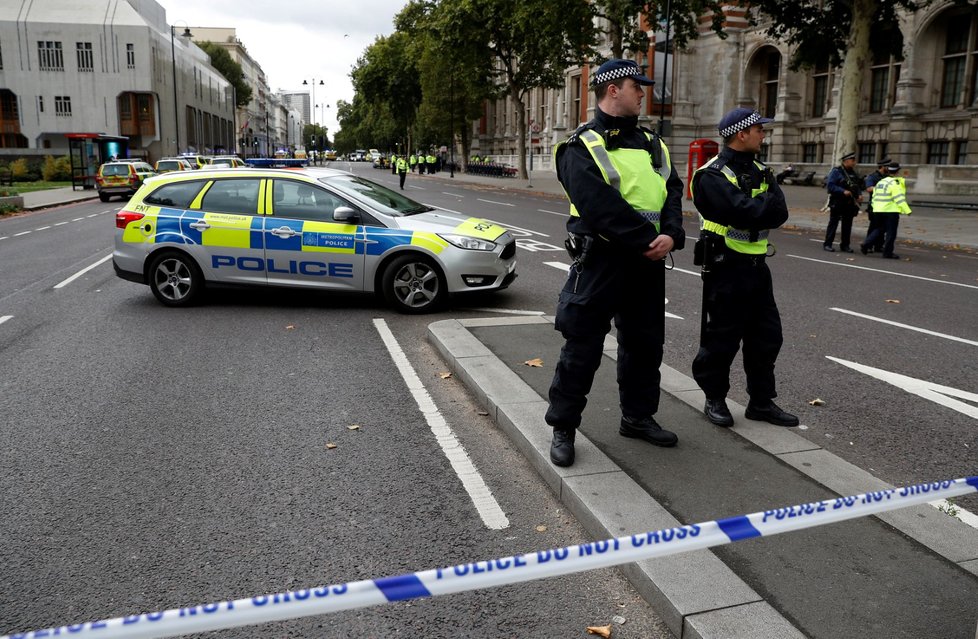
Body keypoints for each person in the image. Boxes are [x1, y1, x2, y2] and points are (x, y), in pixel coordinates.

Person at [545, 59, 685, 467]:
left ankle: (638, 418)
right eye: (635, 86)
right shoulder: (580, 146)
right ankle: (563, 427)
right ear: (611, 90)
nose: (643, 93)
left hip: (647, 262)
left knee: (644, 346)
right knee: (582, 346)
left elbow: (672, 190)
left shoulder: (653, 143)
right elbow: (597, 205)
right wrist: (648, 240)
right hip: (603, 261)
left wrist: (672, 234)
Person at [690, 107, 799, 429]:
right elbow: (743, 212)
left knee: (767, 337)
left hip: (756, 265)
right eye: (759, 130)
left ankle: (761, 402)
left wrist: (757, 209)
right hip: (726, 266)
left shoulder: (762, 170)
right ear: (742, 133)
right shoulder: (712, 174)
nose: (763, 135)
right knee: (722, 338)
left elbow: (779, 213)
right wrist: (759, 209)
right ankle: (715, 397)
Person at [861, 161, 910, 259]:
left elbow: (874, 196)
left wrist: (875, 208)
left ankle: (866, 243)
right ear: (897, 171)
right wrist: (907, 210)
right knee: (891, 232)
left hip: (878, 210)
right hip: (890, 211)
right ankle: (888, 253)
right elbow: (899, 198)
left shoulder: (881, 182)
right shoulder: (895, 183)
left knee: (879, 229)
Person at [823, 152, 863, 252]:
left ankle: (845, 245)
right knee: (833, 223)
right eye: (852, 161)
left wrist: (859, 194)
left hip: (849, 203)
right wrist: (842, 191)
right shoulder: (836, 171)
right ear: (846, 161)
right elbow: (830, 186)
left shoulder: (853, 172)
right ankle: (828, 244)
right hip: (838, 201)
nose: (854, 163)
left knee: (847, 224)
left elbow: (856, 185)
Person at [862, 158, 890, 253]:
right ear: (882, 167)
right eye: (887, 166)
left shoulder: (888, 177)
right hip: (874, 206)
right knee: (873, 226)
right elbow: (869, 189)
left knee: (882, 227)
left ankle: (879, 246)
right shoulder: (872, 177)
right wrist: (882, 188)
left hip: (885, 206)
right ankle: (868, 245)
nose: (889, 168)